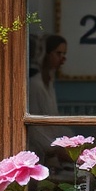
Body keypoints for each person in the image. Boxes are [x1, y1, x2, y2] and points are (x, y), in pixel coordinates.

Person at [28, 35, 70, 164]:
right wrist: (55, 148)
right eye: (58, 53)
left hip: (50, 151)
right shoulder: (35, 85)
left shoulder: (48, 82)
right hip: (38, 152)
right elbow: (33, 127)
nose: (63, 59)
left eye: (64, 54)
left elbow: (53, 120)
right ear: (45, 54)